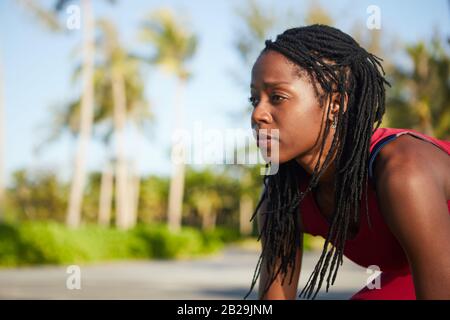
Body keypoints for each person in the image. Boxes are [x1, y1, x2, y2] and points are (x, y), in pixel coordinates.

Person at [244, 25, 450, 300]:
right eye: (254, 99)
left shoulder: (403, 172)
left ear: (335, 104)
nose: (258, 114)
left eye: (277, 97)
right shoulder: (282, 195)